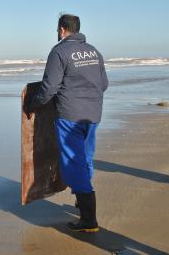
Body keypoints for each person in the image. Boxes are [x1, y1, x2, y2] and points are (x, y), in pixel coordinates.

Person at [24, 14, 108, 233]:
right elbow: (104, 84)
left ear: (61, 30)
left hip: (70, 114)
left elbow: (49, 87)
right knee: (86, 157)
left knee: (72, 163)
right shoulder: (94, 52)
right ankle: (82, 200)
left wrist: (32, 104)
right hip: (93, 114)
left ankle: (89, 219)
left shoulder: (59, 51)